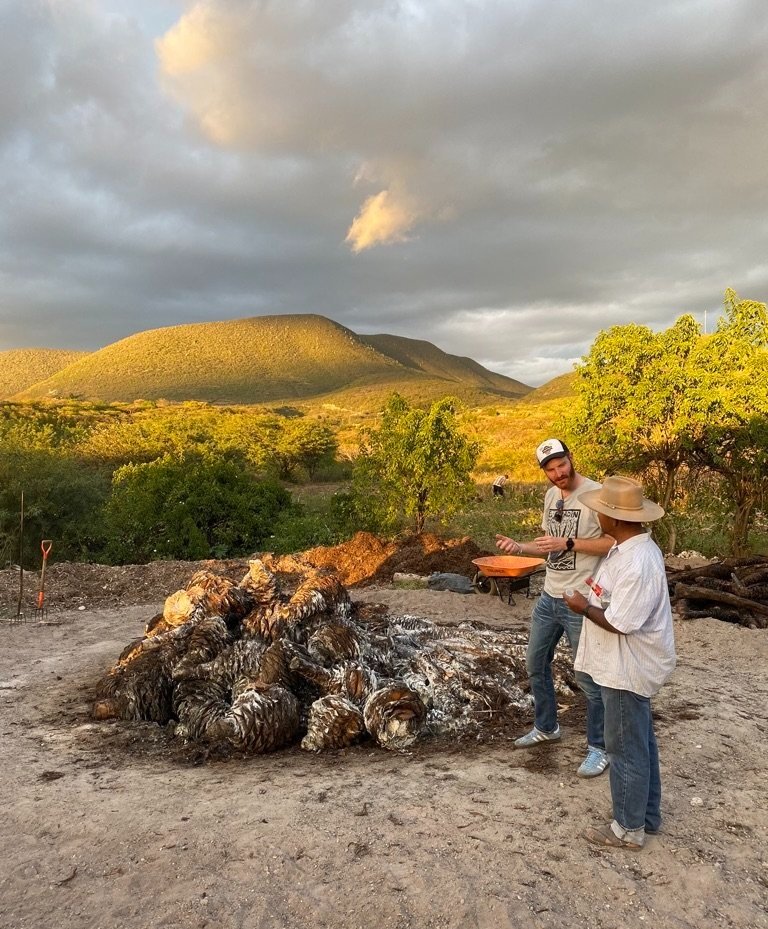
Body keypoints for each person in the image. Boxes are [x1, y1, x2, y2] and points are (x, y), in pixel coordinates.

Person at [564, 476, 676, 849]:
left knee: (624, 746)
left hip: (627, 667)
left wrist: (583, 607)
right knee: (638, 742)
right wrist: (592, 599)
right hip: (621, 664)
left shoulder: (638, 561)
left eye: (603, 513)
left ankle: (628, 829)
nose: (599, 517)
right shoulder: (626, 549)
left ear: (615, 518)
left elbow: (620, 623)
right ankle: (645, 816)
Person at [496, 439, 615, 777]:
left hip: (581, 601)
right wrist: (520, 546)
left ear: (571, 458)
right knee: (535, 662)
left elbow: (612, 542)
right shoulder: (551, 496)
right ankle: (547, 727)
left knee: (587, 677)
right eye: (550, 468)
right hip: (550, 597)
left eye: (561, 464)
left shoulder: (597, 495)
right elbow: (549, 545)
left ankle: (599, 747)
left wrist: (571, 542)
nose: (558, 473)